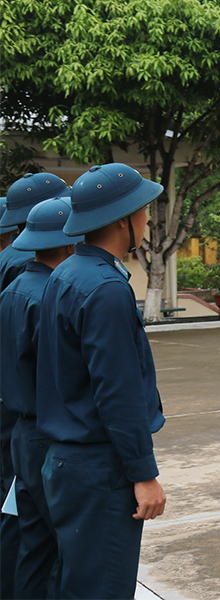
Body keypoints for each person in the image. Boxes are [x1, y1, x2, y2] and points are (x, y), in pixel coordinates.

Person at [36, 163, 166, 599]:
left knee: (76, 582)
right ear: (121, 220)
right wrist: (143, 473)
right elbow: (117, 391)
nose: (147, 222)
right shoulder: (106, 288)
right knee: (102, 589)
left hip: (66, 462)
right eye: (143, 212)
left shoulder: (66, 274)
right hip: (99, 469)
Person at [0, 197, 83, 598]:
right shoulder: (49, 294)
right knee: (63, 550)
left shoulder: (16, 288)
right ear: (70, 244)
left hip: (21, 432)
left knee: (34, 546)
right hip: (46, 436)